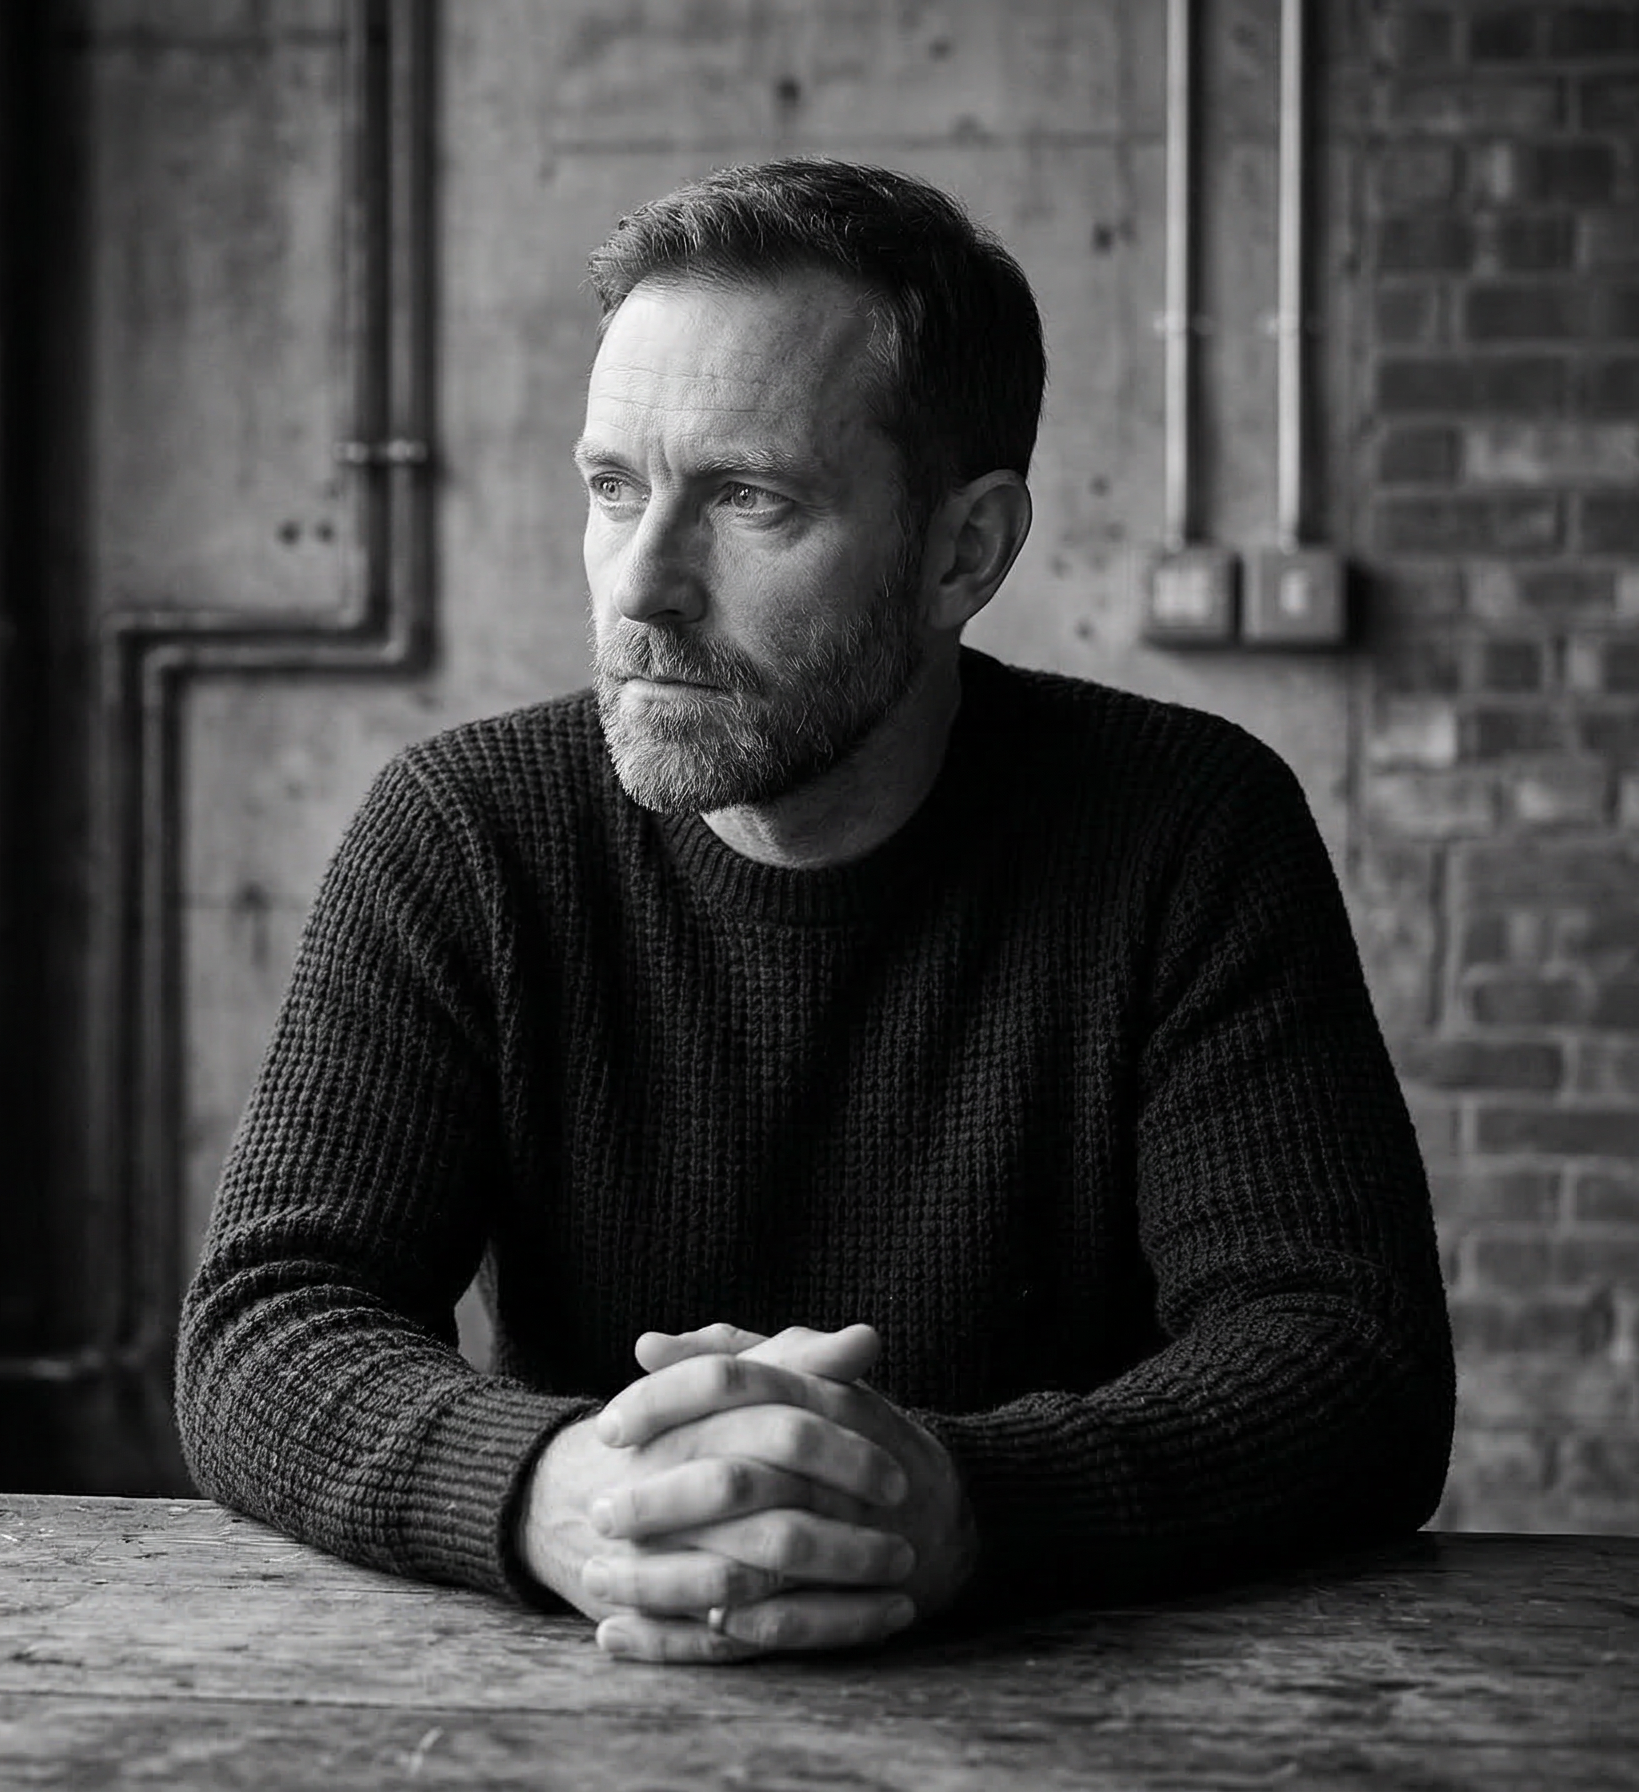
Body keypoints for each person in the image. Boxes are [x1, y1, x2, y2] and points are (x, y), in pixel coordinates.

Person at [174, 158, 1454, 1665]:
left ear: (962, 552)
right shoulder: (465, 834)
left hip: (1076, 1713)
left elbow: (1342, 1358)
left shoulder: (1183, 828)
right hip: (587, 1690)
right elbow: (267, 1317)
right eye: (612, 489)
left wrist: (961, 1499)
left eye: (749, 500)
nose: (641, 586)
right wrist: (549, 1490)